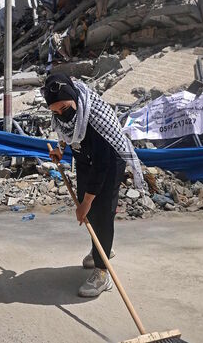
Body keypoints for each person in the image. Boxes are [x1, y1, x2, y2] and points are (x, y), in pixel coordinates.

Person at [43, 73, 144, 298]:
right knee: (88, 210)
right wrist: (60, 150)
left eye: (65, 109)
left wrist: (86, 203)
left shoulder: (96, 120)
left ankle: (102, 272)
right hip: (85, 160)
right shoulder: (64, 113)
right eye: (55, 112)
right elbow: (66, 132)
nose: (62, 115)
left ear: (74, 100)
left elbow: (102, 164)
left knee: (100, 211)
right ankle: (101, 248)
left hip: (107, 161)